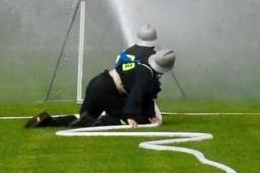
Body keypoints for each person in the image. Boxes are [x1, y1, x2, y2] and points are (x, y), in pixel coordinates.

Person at [25, 49, 175, 130]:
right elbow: (137, 94)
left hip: (97, 83)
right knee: (138, 120)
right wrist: (130, 116)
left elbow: (146, 95)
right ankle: (100, 121)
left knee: (83, 118)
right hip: (107, 91)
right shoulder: (146, 75)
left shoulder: (141, 65)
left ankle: (48, 121)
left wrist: (151, 114)